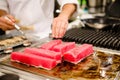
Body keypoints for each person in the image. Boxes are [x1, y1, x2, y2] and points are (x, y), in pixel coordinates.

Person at [0, 0, 78, 38]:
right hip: (14, 37)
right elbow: (2, 6)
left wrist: (63, 16)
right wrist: (4, 17)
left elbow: (69, 1)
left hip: (43, 35)